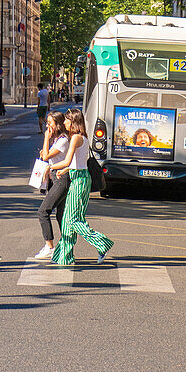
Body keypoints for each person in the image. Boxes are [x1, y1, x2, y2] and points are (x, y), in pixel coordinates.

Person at [51, 108, 113, 267]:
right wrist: (65, 170)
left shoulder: (76, 138)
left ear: (73, 121)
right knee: (66, 221)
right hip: (78, 178)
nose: (64, 122)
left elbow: (67, 161)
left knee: (73, 219)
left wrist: (49, 167)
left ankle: (102, 244)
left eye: (66, 119)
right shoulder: (80, 137)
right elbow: (77, 163)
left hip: (79, 182)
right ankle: (64, 256)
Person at [34, 110, 71, 260]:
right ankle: (66, 246)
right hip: (56, 179)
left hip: (62, 179)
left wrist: (46, 137)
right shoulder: (57, 139)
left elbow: (45, 156)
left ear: (58, 124)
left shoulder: (63, 140)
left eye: (50, 123)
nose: (48, 125)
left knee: (43, 212)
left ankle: (49, 247)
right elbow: (46, 156)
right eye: (47, 122)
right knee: (61, 216)